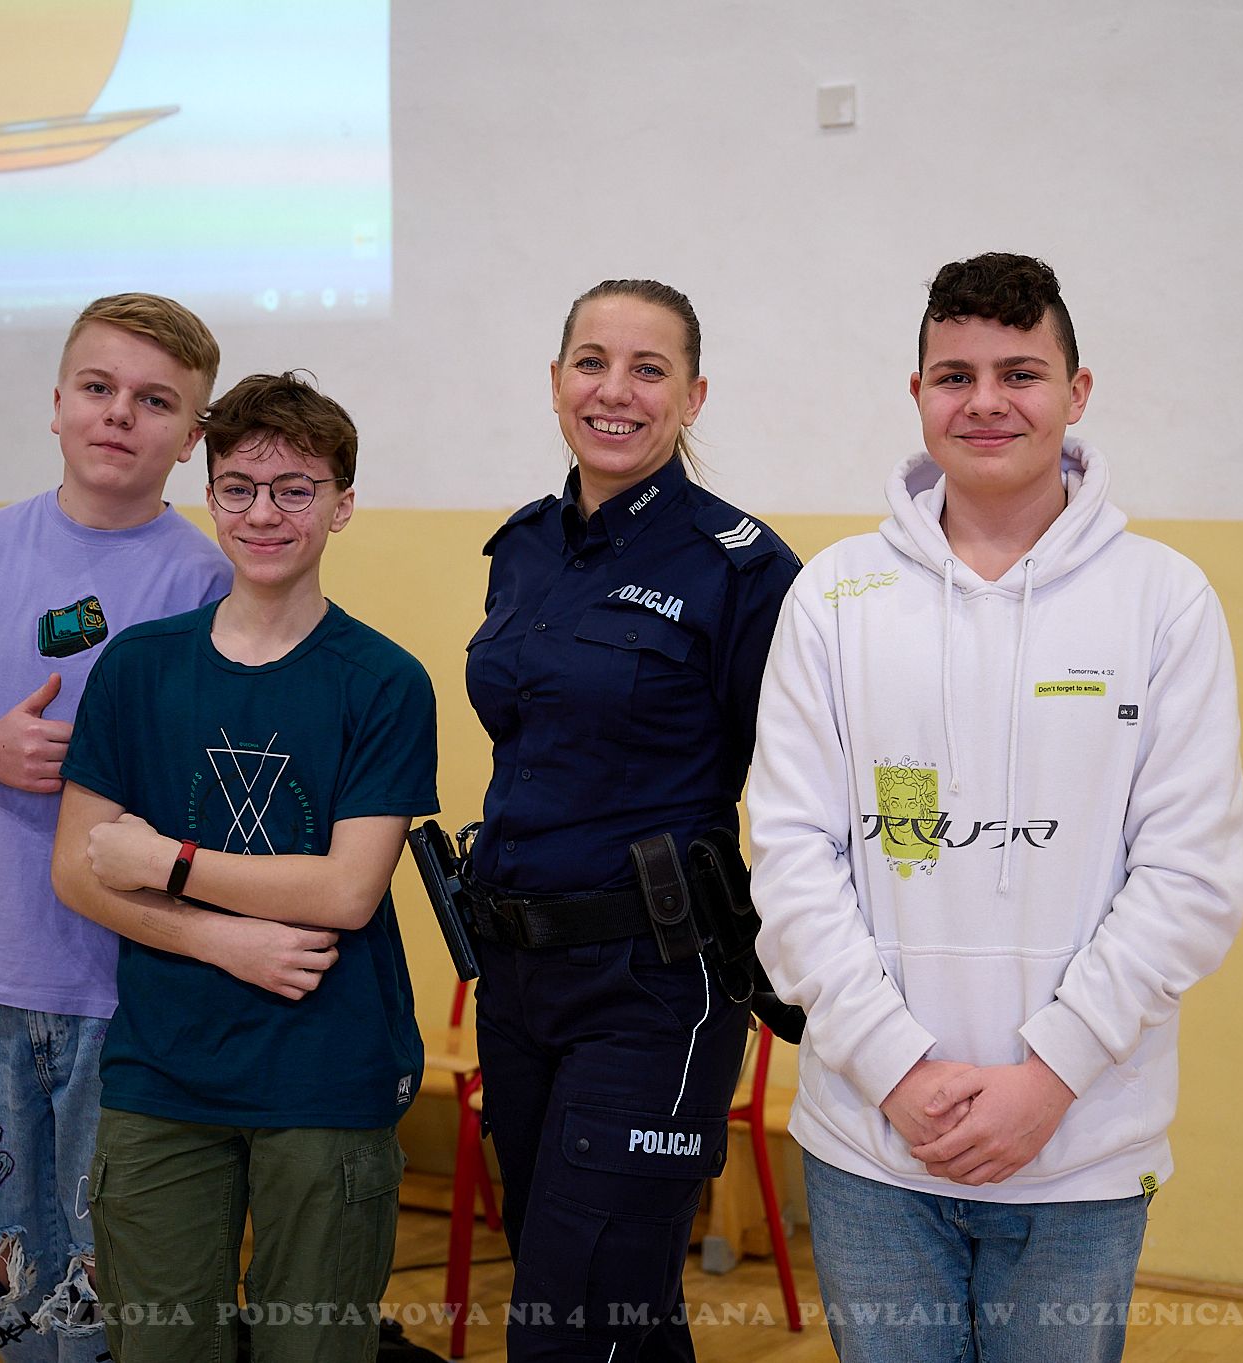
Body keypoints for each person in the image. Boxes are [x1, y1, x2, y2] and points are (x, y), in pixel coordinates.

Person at [748, 252, 1243, 1363]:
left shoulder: (1163, 601)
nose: (985, 402)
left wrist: (1050, 1077)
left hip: (1081, 1145)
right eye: (954, 375)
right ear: (917, 393)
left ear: (1077, 392)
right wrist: (897, 1069)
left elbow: (1191, 879)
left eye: (1019, 372)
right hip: (871, 1144)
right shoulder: (833, 597)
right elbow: (789, 861)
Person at [0, 294, 231, 1362]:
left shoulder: (209, 578)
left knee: (111, 1261)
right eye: (98, 387)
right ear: (58, 401)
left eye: (155, 400)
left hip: (131, 979)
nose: (120, 414)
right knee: (6, 1262)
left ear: (192, 436)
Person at [49, 371, 438, 1363]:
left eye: (295, 489)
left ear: (341, 505)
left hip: (326, 1073)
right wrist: (225, 941)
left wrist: (164, 859)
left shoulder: (384, 681)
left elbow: (345, 888)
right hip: (162, 1073)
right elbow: (81, 870)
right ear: (211, 496)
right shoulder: (138, 666)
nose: (264, 513)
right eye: (239, 487)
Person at [464, 278, 799, 1360]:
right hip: (517, 979)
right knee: (614, 1312)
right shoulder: (524, 549)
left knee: (573, 1323)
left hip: (652, 986)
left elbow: (801, 790)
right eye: (592, 362)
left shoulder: (741, 570)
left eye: (648, 370)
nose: (615, 390)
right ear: (556, 380)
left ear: (692, 397)